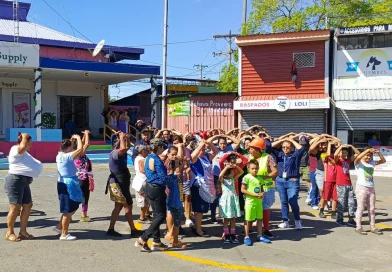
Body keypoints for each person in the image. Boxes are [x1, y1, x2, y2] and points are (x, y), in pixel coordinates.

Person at [135, 138, 176, 252]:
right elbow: (163, 177)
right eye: (162, 146)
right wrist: (173, 175)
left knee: (156, 214)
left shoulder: (148, 157)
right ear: (158, 148)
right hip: (157, 188)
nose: (163, 149)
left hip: (150, 186)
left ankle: (156, 240)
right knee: (160, 216)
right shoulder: (156, 159)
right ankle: (143, 238)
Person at [4, 133, 43, 242]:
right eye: (28, 144)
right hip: (15, 180)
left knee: (27, 205)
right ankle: (9, 232)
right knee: (15, 207)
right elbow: (21, 148)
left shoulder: (24, 153)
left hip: (24, 181)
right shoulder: (15, 149)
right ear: (23, 142)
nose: (30, 146)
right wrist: (24, 137)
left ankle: (23, 232)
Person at [105, 132, 142, 238]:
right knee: (128, 205)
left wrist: (125, 138)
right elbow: (124, 148)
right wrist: (121, 138)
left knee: (118, 206)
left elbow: (127, 147)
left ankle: (111, 229)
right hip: (119, 183)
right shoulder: (115, 153)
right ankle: (133, 230)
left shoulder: (121, 152)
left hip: (122, 182)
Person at [272, 135, 305, 230]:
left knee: (293, 201)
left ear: (291, 148)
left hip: (292, 180)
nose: (285, 149)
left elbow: (301, 148)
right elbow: (269, 147)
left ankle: (297, 221)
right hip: (280, 180)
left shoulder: (295, 155)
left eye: (288, 147)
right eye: (283, 147)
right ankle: (285, 221)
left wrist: (291, 140)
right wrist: (282, 139)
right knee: (284, 202)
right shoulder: (279, 155)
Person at [54, 134, 84, 241]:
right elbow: (80, 149)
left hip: (67, 182)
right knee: (68, 210)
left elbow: (74, 149)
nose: (73, 148)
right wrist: (79, 138)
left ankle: (59, 227)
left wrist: (71, 139)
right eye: (71, 146)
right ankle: (64, 234)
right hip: (68, 184)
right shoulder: (65, 156)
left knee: (73, 206)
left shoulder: (61, 154)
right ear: (68, 148)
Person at [249, 138, 278, 238]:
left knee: (265, 209)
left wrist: (264, 177)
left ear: (257, 149)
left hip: (266, 188)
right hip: (252, 188)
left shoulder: (268, 157)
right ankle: (249, 229)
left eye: (251, 148)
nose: (249, 150)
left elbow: (275, 171)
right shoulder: (249, 158)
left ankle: (266, 229)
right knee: (252, 209)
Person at [189, 138, 218, 237]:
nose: (203, 150)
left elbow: (215, 152)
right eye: (201, 149)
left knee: (202, 209)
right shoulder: (195, 158)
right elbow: (192, 156)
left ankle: (198, 226)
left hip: (207, 185)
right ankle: (198, 229)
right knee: (199, 209)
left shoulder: (206, 156)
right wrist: (200, 145)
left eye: (204, 149)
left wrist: (209, 143)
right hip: (199, 186)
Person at [354, 148, 386, 235]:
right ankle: (358, 227)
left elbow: (383, 160)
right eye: (367, 155)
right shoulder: (358, 163)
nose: (368, 157)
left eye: (370, 156)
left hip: (371, 188)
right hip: (361, 188)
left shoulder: (371, 163)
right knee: (360, 208)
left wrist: (378, 153)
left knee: (371, 209)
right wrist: (367, 150)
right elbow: (358, 157)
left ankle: (372, 226)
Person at [210, 134, 240, 224]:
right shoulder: (215, 150)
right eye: (221, 143)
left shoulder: (229, 149)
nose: (222, 145)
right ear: (218, 144)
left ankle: (224, 214)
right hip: (216, 176)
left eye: (224, 143)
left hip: (227, 177)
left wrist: (226, 135)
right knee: (215, 197)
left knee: (226, 197)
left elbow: (238, 142)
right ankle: (213, 216)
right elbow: (208, 142)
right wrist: (217, 136)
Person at [241, 160, 271, 246]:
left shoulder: (260, 178)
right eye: (253, 169)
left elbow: (261, 189)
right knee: (248, 219)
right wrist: (254, 195)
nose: (255, 170)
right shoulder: (246, 177)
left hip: (258, 202)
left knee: (259, 219)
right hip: (250, 202)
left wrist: (262, 193)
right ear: (248, 168)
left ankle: (259, 235)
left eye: (256, 169)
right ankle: (246, 236)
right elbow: (242, 189)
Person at [334, 144, 359, 226]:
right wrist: (341, 147)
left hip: (349, 184)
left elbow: (358, 153)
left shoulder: (348, 160)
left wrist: (351, 146)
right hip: (341, 184)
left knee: (351, 203)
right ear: (340, 153)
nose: (345, 154)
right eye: (343, 153)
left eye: (346, 153)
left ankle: (351, 219)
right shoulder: (338, 161)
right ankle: (339, 219)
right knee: (341, 203)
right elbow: (335, 155)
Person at [218, 163, 243, 244]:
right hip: (226, 202)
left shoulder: (233, 179)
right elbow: (220, 175)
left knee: (233, 219)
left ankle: (232, 234)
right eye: (231, 173)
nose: (233, 174)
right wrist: (226, 167)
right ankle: (226, 234)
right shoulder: (223, 181)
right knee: (226, 219)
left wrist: (236, 166)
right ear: (227, 173)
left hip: (232, 201)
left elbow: (241, 172)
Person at [74, 130, 93, 222]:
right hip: (82, 178)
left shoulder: (75, 154)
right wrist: (86, 134)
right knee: (85, 196)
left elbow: (83, 144)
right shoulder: (80, 155)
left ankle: (69, 215)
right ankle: (84, 215)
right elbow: (87, 144)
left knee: (75, 197)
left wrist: (83, 136)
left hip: (77, 178)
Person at [318, 141, 338, 219]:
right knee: (325, 196)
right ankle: (321, 210)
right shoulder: (324, 155)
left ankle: (333, 211)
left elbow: (338, 153)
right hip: (327, 179)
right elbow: (328, 154)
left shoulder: (337, 157)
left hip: (336, 179)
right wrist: (329, 144)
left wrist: (337, 145)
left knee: (335, 197)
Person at [132, 145, 151, 223]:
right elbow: (143, 170)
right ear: (143, 151)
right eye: (146, 151)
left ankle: (146, 214)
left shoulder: (137, 158)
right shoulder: (142, 159)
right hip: (142, 180)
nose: (148, 152)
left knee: (145, 199)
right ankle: (142, 217)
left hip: (139, 180)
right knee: (144, 200)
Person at [298, 135, 311, 204]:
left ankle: (310, 194)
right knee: (295, 180)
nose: (302, 144)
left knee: (308, 181)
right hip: (297, 166)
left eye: (304, 143)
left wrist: (308, 136)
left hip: (306, 166)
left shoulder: (308, 147)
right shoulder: (296, 146)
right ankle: (295, 193)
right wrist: (297, 135)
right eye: (301, 143)